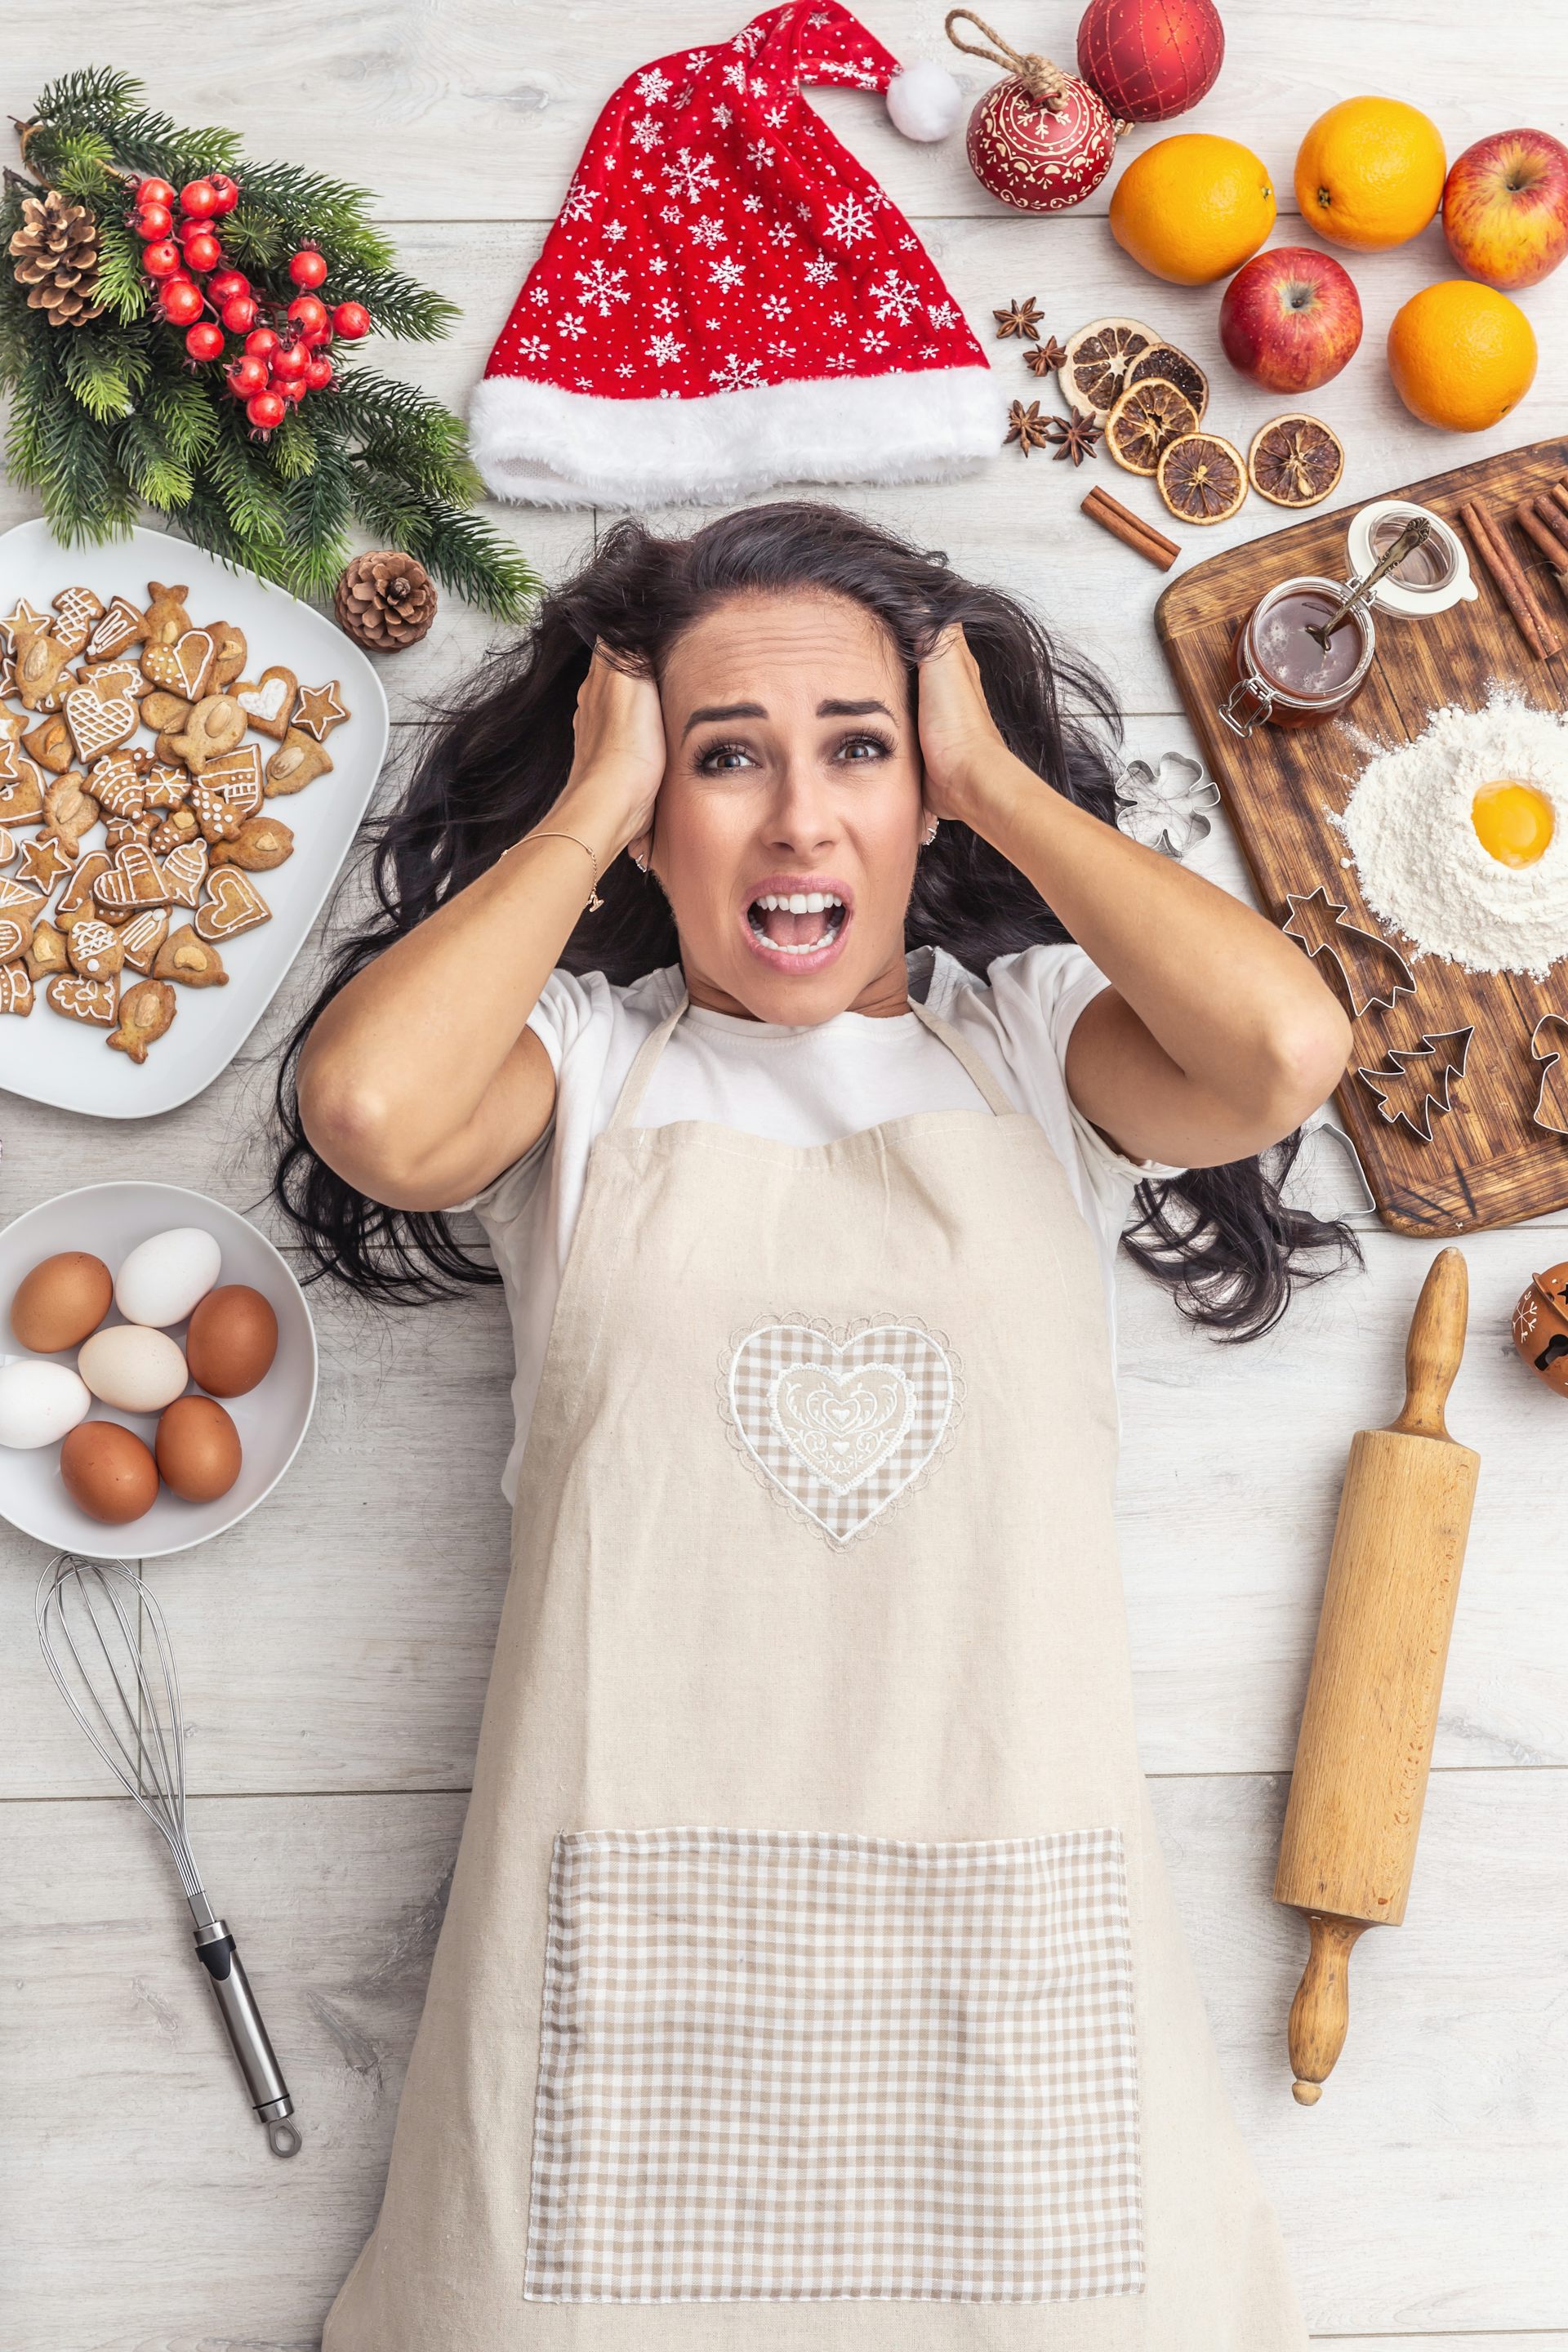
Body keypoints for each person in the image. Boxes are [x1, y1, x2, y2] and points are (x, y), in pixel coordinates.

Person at [287, 503, 1351, 2348]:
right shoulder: (589, 1068)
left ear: (925, 789)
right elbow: (371, 1108)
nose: (797, 818)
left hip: (1000, 1954)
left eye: (857, 749)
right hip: (634, 1966)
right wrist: (584, 810)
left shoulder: (1025, 1042)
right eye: (725, 762)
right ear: (649, 814)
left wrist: (990, 784)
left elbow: (1280, 1054)